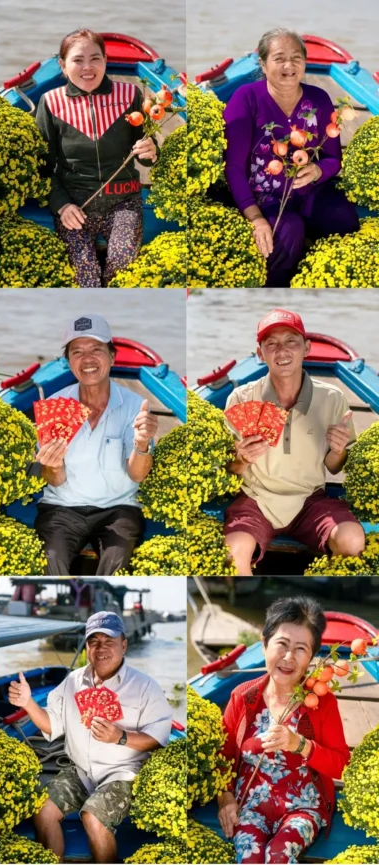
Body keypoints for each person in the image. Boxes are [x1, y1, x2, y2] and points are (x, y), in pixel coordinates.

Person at [9, 611, 172, 864]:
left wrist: (120, 737)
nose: (101, 648)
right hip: (80, 772)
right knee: (42, 810)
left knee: (93, 817)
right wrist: (28, 703)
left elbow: (158, 737)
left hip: (123, 773)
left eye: (109, 641)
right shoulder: (72, 681)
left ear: (124, 644)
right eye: (94, 641)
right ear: (86, 646)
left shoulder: (145, 686)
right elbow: (51, 725)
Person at [223, 309, 365, 575]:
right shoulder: (241, 398)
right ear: (260, 353)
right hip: (255, 500)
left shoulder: (332, 398)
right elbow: (229, 471)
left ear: (306, 348)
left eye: (291, 341)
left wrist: (337, 450)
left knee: (353, 541)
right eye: (271, 344)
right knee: (233, 554)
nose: (282, 351)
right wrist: (241, 460)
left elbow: (335, 467)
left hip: (310, 500)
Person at [217, 596, 350, 863]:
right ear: (264, 645)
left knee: (279, 855)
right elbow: (224, 758)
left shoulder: (320, 702)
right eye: (282, 644)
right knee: (249, 857)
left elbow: (342, 765)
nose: (289, 658)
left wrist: (300, 745)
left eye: (301, 649)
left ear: (312, 656)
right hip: (250, 805)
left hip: (304, 807)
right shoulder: (242, 697)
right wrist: (225, 798)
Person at [223, 28, 359, 287]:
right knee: (287, 232)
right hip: (264, 197)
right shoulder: (246, 99)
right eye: (279, 58)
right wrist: (256, 219)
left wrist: (317, 172)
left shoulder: (319, 99)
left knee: (344, 218)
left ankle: (321, 277)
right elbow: (234, 168)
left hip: (310, 192)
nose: (289, 65)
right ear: (263, 64)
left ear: (305, 63)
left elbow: (333, 159)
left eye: (296, 58)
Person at [34, 314, 158, 575]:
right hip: (62, 508)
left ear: (112, 356)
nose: (87, 359)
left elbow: (137, 474)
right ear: (68, 362)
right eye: (77, 351)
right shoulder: (54, 408)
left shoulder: (135, 406)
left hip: (119, 509)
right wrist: (53, 466)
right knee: (51, 559)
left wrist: (142, 444)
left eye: (96, 350)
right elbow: (53, 481)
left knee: (116, 560)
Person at [35, 29, 158, 287]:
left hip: (124, 202)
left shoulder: (131, 96)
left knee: (122, 262)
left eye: (95, 59)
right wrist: (61, 205)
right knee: (85, 276)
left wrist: (151, 151)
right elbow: (42, 166)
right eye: (78, 60)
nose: (87, 67)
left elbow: (146, 156)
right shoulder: (50, 103)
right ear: (63, 66)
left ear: (105, 60)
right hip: (74, 207)